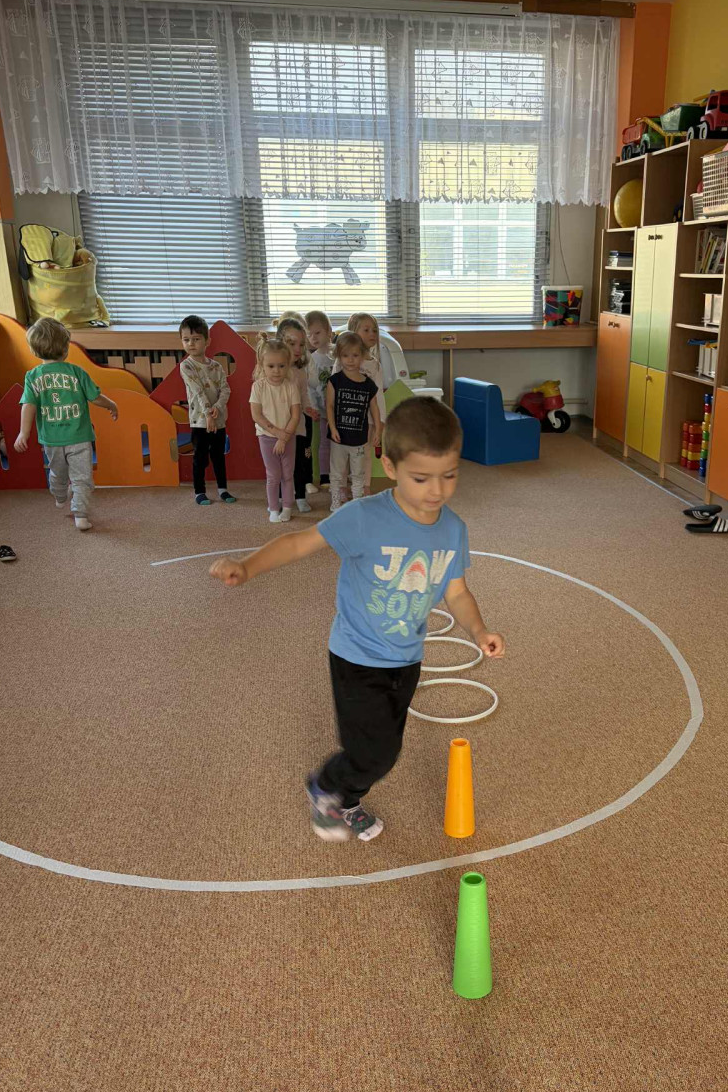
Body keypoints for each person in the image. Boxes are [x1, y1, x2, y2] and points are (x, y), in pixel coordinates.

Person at [210, 397, 505, 842]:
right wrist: (247, 567)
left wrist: (479, 630)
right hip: (357, 657)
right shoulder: (365, 517)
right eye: (421, 477)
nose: (437, 490)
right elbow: (298, 542)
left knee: (385, 746)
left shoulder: (453, 529)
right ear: (389, 465)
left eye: (449, 475)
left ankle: (346, 799)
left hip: (406, 658)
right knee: (375, 753)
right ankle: (326, 786)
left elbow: (457, 592)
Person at [15, 317, 118, 532]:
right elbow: (95, 397)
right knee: (82, 478)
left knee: (57, 472)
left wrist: (23, 433)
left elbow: (28, 405)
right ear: (65, 348)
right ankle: (79, 514)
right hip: (79, 436)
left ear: (34, 350)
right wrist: (111, 404)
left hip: (52, 439)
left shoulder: (32, 376)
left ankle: (62, 497)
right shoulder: (76, 372)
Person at [178, 314, 235, 506]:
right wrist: (208, 414)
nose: (191, 344)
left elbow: (226, 389)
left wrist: (217, 407)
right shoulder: (186, 366)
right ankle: (199, 491)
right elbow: (198, 391)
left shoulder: (216, 366)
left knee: (218, 456)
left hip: (218, 419)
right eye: (186, 340)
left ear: (207, 341)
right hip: (200, 421)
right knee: (200, 458)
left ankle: (223, 489)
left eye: (196, 339)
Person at [326, 331, 382, 512]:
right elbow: (329, 406)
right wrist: (333, 428)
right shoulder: (335, 381)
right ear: (339, 356)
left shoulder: (368, 384)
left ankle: (356, 504)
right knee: (337, 472)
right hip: (338, 438)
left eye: (355, 355)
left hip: (359, 438)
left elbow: (374, 408)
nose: (350, 360)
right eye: (345, 355)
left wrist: (378, 430)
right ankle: (335, 504)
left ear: (362, 356)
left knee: (358, 473)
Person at [250, 334, 301, 524]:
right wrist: (277, 434)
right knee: (273, 475)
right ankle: (273, 508)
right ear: (262, 365)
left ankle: (287, 507)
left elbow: (295, 415)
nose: (277, 371)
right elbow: (257, 415)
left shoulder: (291, 386)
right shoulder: (258, 387)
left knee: (287, 474)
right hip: (266, 438)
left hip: (288, 438)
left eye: (281, 366)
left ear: (288, 365)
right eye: (271, 366)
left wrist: (284, 437)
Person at [276, 315, 319, 514]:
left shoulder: (300, 372)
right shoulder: (274, 371)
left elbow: (304, 396)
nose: (298, 349)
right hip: (279, 427)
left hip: (299, 425)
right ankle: (280, 497)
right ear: (280, 343)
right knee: (281, 465)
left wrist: (309, 408)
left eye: (301, 344)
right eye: (291, 343)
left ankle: (300, 496)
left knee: (301, 462)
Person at [347, 311, 388, 495]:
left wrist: (381, 421)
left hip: (369, 419)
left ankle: (365, 486)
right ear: (353, 333)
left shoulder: (375, 365)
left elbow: (379, 395)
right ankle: (344, 486)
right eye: (366, 330)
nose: (372, 334)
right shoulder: (344, 360)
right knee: (346, 454)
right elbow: (334, 386)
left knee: (365, 454)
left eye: (375, 330)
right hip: (348, 418)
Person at [304, 309, 334, 490]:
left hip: (340, 409)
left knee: (342, 444)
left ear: (329, 331)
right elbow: (310, 387)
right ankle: (324, 476)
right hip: (323, 410)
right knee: (324, 442)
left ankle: (341, 474)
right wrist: (314, 407)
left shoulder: (338, 354)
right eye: (309, 334)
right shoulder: (311, 359)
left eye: (317, 332)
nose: (313, 338)